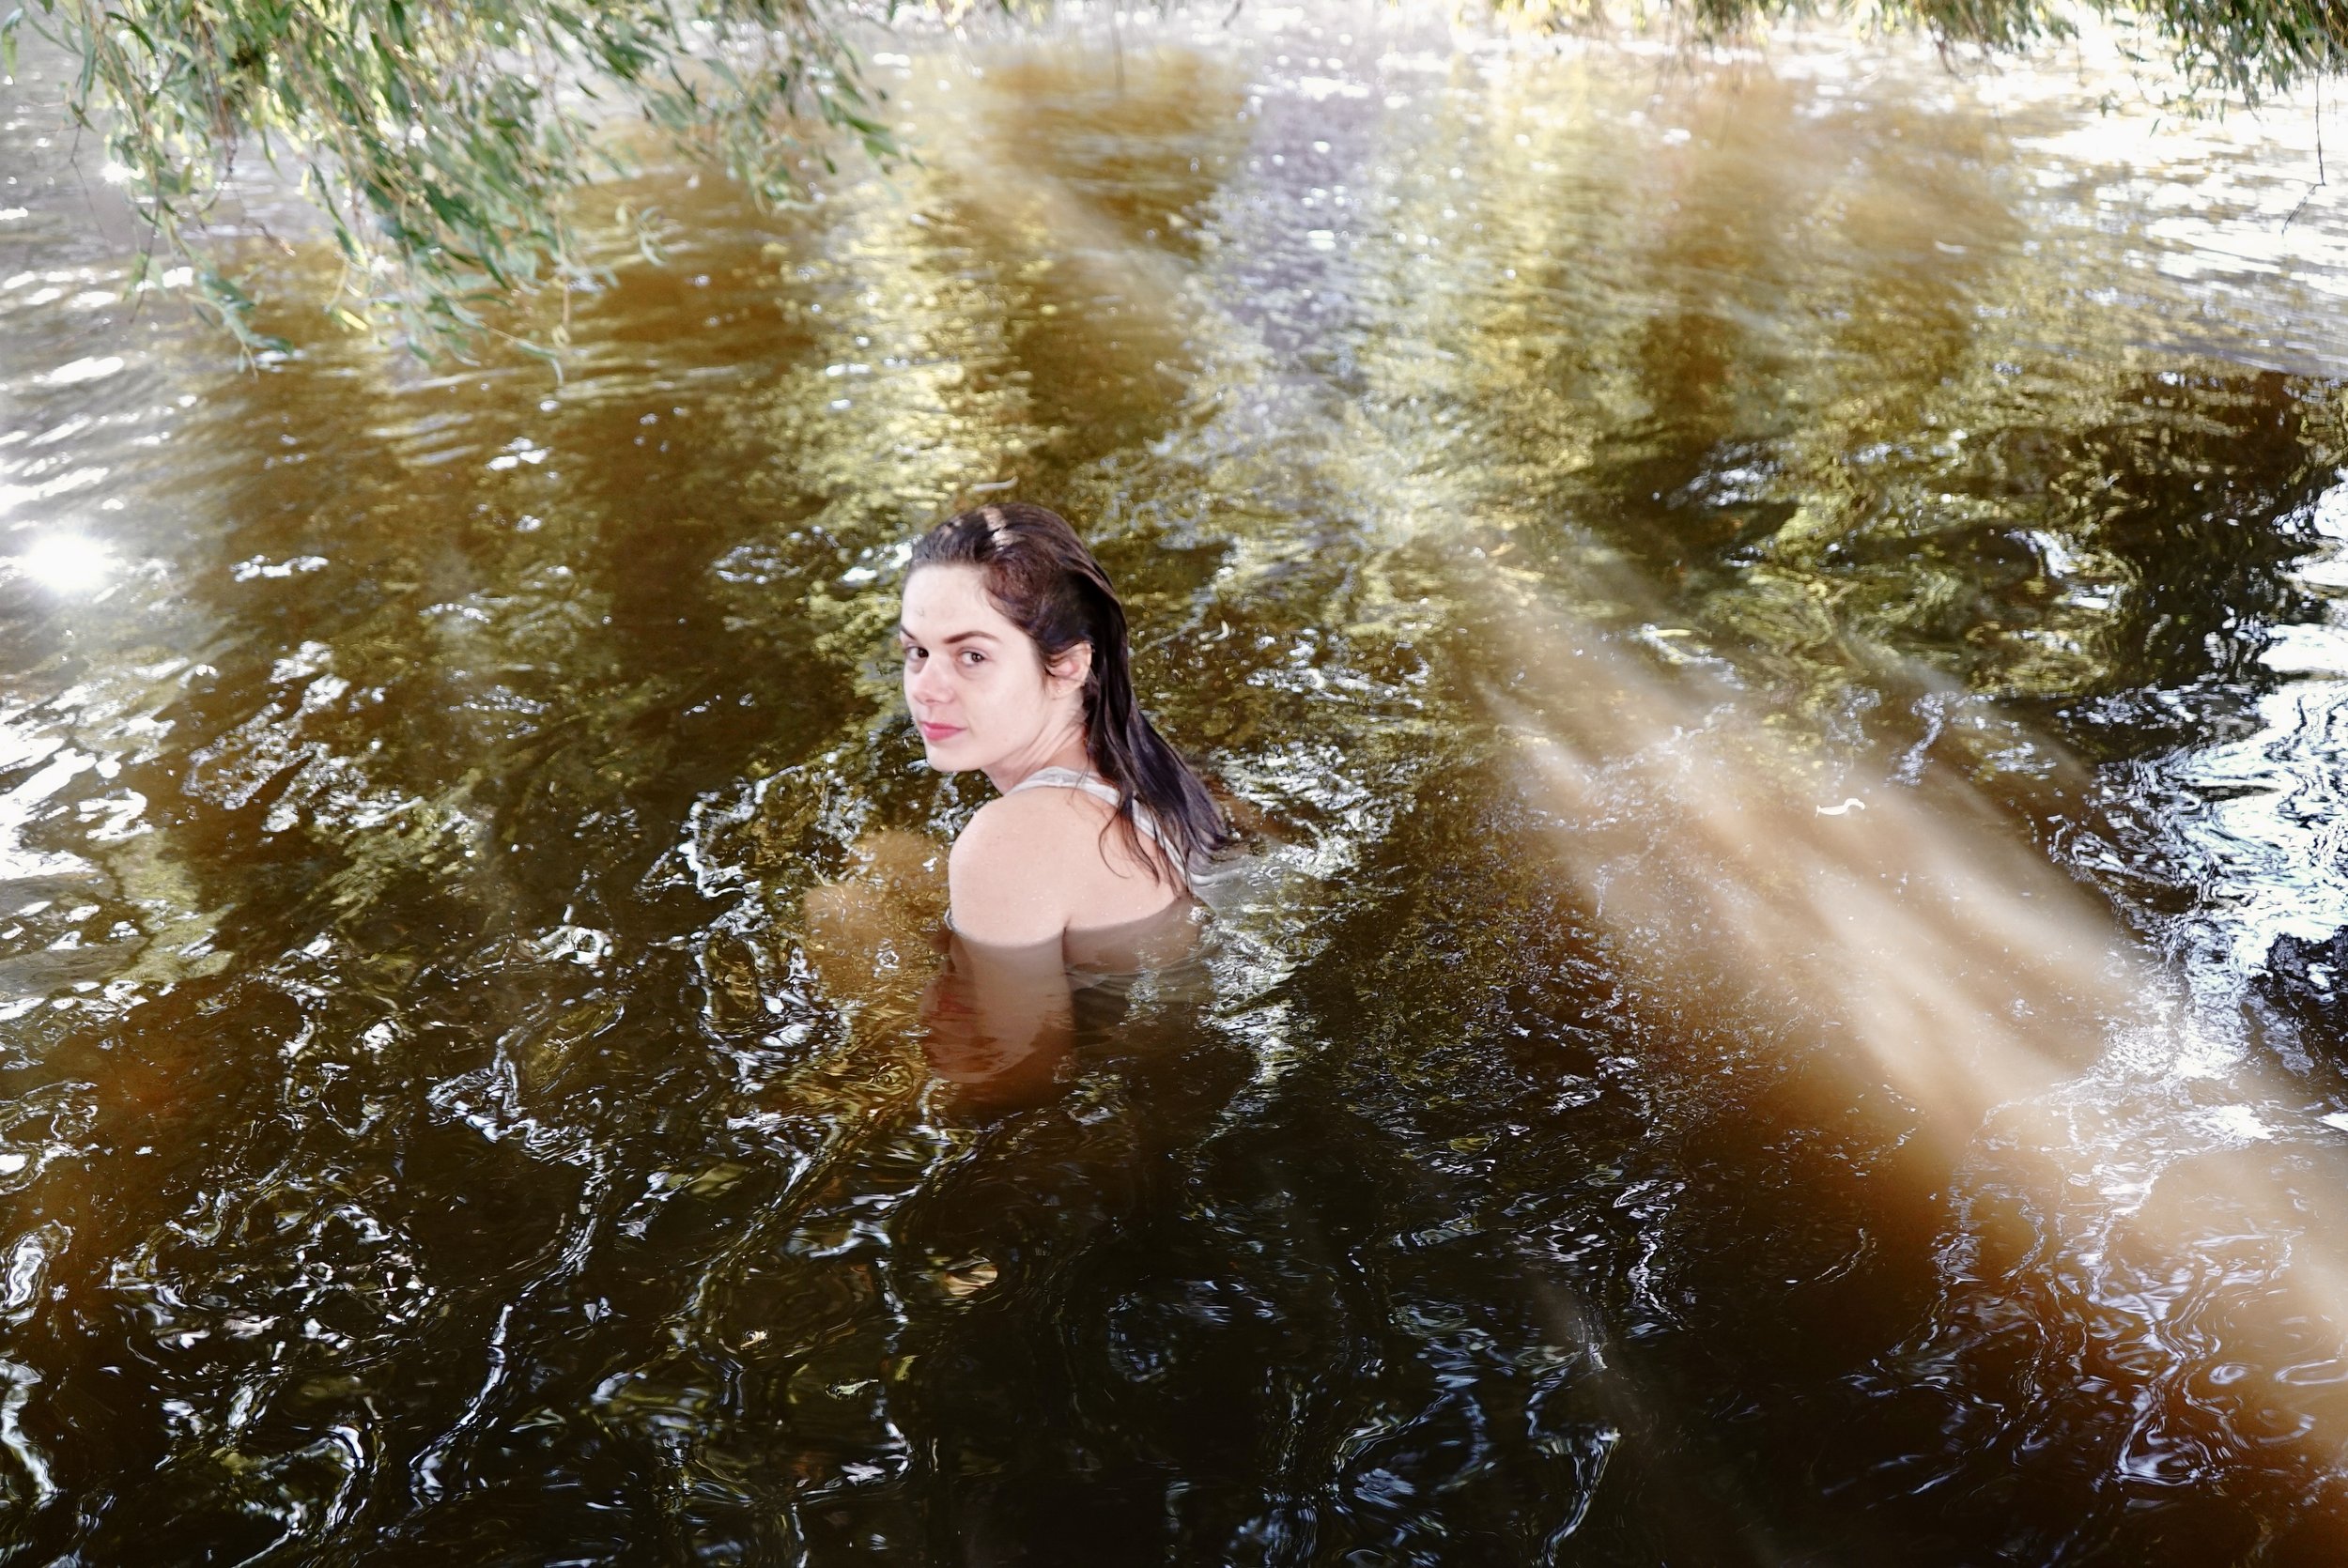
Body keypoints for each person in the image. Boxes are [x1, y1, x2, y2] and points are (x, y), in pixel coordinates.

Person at [805, 502, 1227, 1108]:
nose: (924, 688)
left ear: (1068, 665)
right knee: (882, 852)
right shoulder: (1140, 756)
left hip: (1136, 1065)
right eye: (917, 651)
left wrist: (864, 1086)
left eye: (971, 655)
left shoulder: (1009, 840)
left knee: (834, 908)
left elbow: (1020, 1070)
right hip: (1162, 968)